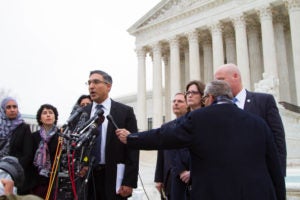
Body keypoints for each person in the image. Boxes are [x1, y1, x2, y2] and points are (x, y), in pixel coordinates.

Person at [116, 80, 286, 200]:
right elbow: (275, 168)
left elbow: (162, 136)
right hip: (259, 194)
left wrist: (131, 138)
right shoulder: (258, 123)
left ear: (210, 98)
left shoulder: (198, 119)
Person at [214, 63, 287, 176]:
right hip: (228, 175)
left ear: (235, 76)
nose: (217, 85)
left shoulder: (264, 101)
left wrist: (279, 173)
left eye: (221, 80)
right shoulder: (216, 107)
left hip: (260, 173)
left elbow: (278, 138)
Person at [77, 70, 139, 200]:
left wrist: (129, 181)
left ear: (108, 86)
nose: (91, 86)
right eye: (89, 83)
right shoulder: (82, 113)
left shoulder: (125, 112)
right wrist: (80, 164)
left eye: (96, 82)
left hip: (115, 177)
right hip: (88, 177)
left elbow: (133, 149)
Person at [154, 92, 188, 200]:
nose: (176, 104)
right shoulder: (166, 127)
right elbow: (161, 156)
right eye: (174, 101)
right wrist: (158, 179)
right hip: (168, 179)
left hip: (185, 178)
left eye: (180, 101)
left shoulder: (192, 125)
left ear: (188, 105)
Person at [0, 97, 34, 195]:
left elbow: (28, 154)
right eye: (9, 107)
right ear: (3, 110)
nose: (12, 109)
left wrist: (13, 169)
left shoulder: (24, 128)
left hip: (14, 173)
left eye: (15, 107)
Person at [31, 104, 59, 199]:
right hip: (36, 181)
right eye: (45, 113)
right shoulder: (33, 137)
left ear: (55, 117)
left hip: (54, 181)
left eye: (51, 113)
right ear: (40, 118)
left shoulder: (61, 137)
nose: (48, 115)